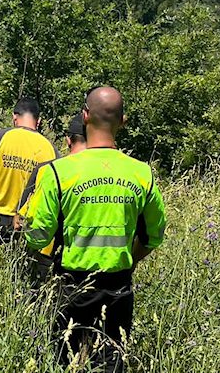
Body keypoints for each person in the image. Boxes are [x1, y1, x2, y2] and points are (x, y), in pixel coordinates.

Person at [24, 87, 166, 372]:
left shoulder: (58, 172)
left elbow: (38, 234)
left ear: (85, 116)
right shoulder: (142, 173)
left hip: (71, 287)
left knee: (64, 362)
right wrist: (130, 260)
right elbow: (154, 236)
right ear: (123, 121)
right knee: (112, 363)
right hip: (119, 288)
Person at [0, 97, 59, 286]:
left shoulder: (2, 137)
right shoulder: (51, 149)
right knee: (22, 273)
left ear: (14, 117)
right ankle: (18, 302)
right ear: (38, 122)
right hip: (28, 225)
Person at [14, 112, 87, 286]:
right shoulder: (100, 176)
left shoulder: (48, 170)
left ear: (68, 140)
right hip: (81, 261)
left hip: (41, 254)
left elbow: (19, 219)